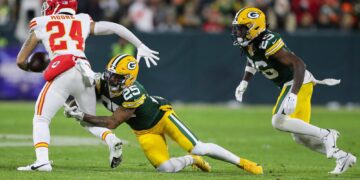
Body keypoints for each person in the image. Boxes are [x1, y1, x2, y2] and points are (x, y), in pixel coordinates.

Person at [16, 0, 159, 172]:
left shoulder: (41, 22)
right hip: (85, 72)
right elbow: (115, 27)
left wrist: (32, 67)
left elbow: (21, 60)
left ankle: (42, 161)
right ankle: (111, 139)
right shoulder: (82, 20)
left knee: (41, 118)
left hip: (63, 69)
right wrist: (140, 45)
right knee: (87, 119)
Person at [63, 54, 263, 174]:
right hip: (144, 132)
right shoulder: (101, 81)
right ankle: (192, 161)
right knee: (165, 169)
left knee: (198, 147)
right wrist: (72, 100)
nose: (110, 79)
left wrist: (82, 116)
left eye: (117, 77)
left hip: (162, 117)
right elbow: (79, 90)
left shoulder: (133, 91)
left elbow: (113, 122)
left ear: (129, 78)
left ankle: (243, 163)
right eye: (110, 74)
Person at [232, 7, 356, 175]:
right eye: (237, 27)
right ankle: (342, 156)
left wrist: (293, 94)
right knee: (301, 137)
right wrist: (244, 82)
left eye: (242, 27)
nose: (238, 31)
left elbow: (299, 65)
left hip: (298, 81)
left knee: (278, 121)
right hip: (292, 83)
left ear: (255, 27)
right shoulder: (251, 43)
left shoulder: (267, 41)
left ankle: (327, 134)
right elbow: (253, 60)